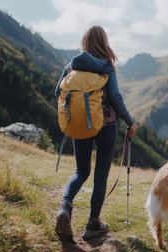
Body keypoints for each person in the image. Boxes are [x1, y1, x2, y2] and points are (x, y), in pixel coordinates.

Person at [54, 25, 138, 241]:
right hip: (106, 128)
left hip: (79, 125)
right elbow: (116, 98)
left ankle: (65, 207)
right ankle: (93, 225)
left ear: (85, 42)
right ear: (104, 42)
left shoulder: (71, 67)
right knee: (100, 174)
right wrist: (130, 122)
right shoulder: (107, 68)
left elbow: (57, 92)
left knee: (81, 171)